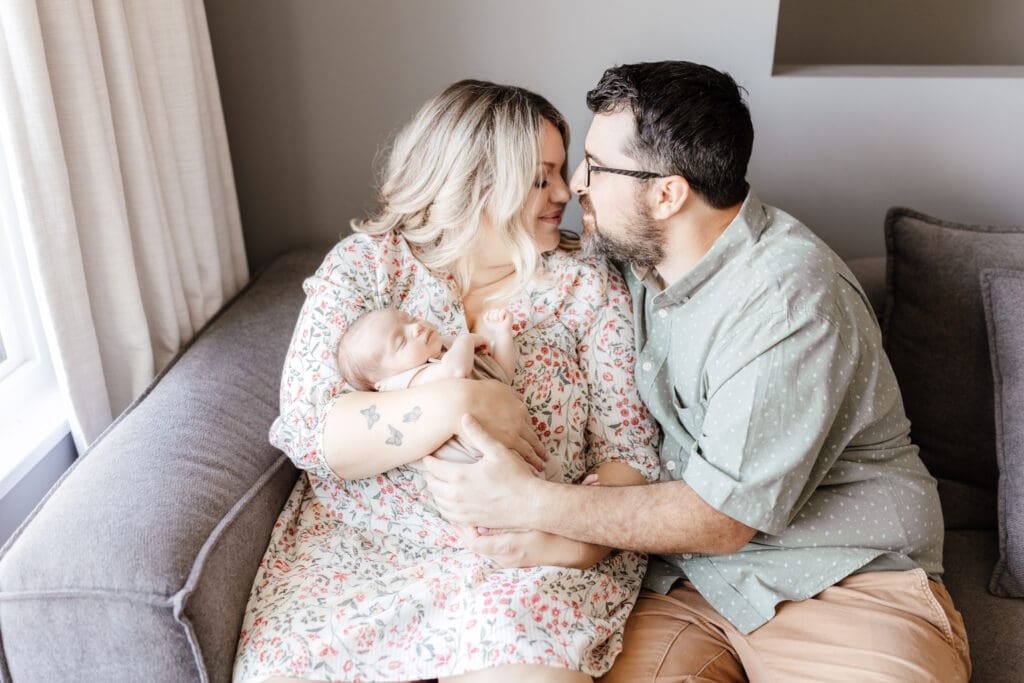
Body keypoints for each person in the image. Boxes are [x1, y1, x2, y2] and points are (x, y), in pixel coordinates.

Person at [422, 61, 972, 682]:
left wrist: (527, 501)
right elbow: (483, 242)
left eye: (597, 168)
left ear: (667, 193)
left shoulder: (787, 299)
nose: (577, 183)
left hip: (841, 578)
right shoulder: (633, 259)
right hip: (684, 585)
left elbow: (721, 516)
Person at [233, 79, 660, 683]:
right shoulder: (368, 267)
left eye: (561, 173)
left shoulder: (586, 287)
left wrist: (576, 543)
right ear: (474, 183)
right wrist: (468, 396)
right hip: (360, 561)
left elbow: (630, 453)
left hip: (524, 565)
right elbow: (312, 429)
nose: (565, 193)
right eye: (542, 178)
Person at [335, 307, 560, 481]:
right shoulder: (411, 381)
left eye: (410, 319)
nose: (416, 328)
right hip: (477, 466)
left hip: (512, 450)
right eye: (401, 341)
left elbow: (501, 375)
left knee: (545, 473)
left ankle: (564, 492)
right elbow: (455, 371)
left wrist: (502, 335)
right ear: (382, 383)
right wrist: (466, 339)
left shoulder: (446, 355)